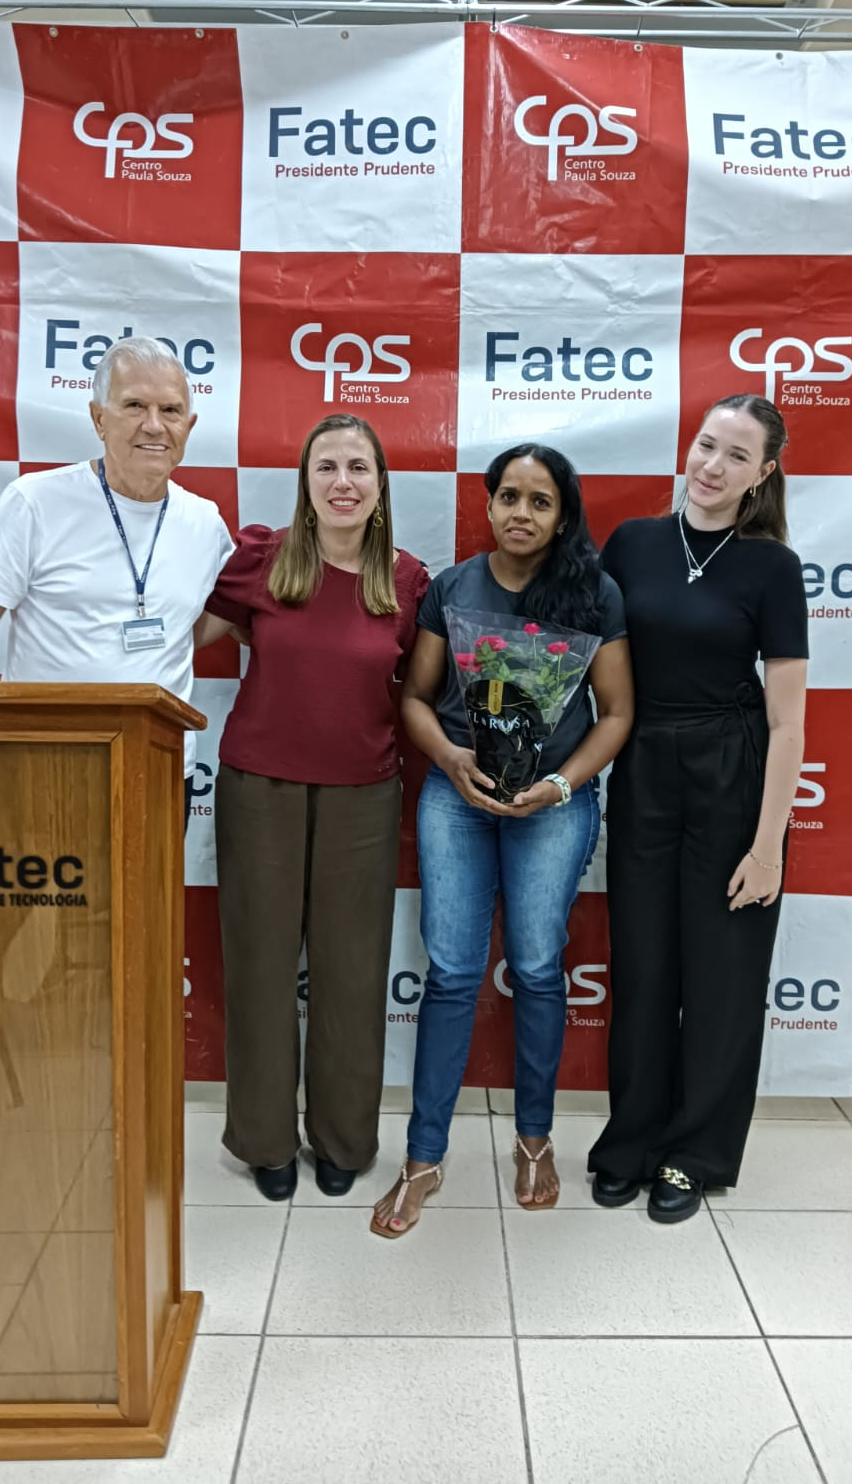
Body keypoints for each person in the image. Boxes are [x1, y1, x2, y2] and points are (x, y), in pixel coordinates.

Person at [370, 444, 634, 1238]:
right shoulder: (453, 589)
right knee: (452, 973)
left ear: (563, 515)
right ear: (487, 505)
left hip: (553, 805)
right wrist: (451, 760)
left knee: (539, 968)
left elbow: (618, 713)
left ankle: (534, 1141)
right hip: (457, 799)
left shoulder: (595, 594)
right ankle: (423, 1158)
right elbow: (416, 699)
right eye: (509, 496)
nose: (522, 512)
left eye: (540, 500)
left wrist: (561, 785)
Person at [195, 414, 429, 1202]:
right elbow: (185, 638)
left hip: (364, 794)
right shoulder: (261, 560)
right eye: (326, 466)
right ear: (304, 481)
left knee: (351, 973)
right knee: (261, 968)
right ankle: (264, 1141)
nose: (342, 482)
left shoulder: (406, 580)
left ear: (380, 485)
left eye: (358, 467)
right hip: (258, 788)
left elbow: (424, 691)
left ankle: (342, 1140)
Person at [588, 393, 808, 1224]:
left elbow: (788, 721)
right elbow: (589, 658)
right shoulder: (633, 544)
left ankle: (695, 1155)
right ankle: (632, 1141)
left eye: (737, 455)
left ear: (764, 473)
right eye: (707, 445)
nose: (713, 466)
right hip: (645, 765)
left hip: (732, 772)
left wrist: (769, 845)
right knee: (644, 968)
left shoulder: (772, 567)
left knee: (722, 977)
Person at [0, 337, 233, 822]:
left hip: (159, 770)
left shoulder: (205, 522)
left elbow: (205, 621)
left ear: (189, 425)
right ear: (99, 418)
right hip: (42, 762)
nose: (154, 425)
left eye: (170, 410)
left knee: (152, 880)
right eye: (134, 406)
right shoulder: (36, 502)